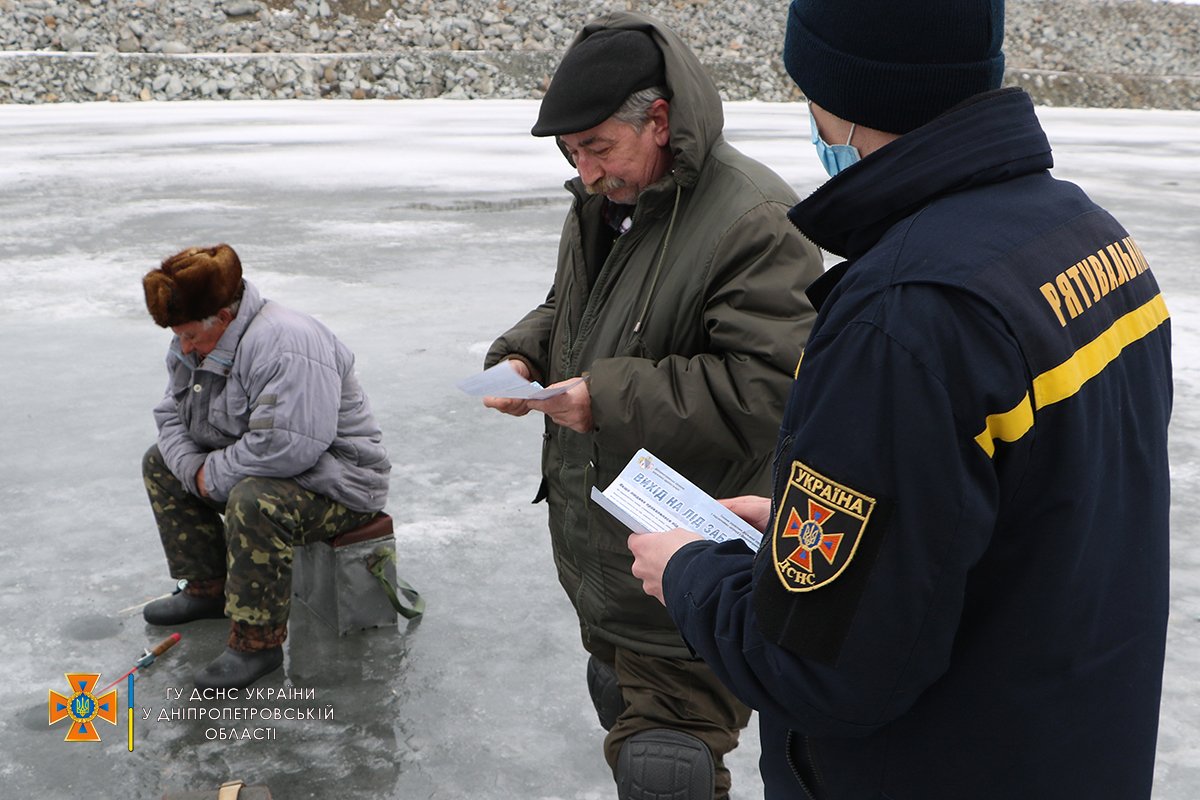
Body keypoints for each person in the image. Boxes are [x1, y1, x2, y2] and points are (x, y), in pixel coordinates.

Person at [629, 1, 1173, 798]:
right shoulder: (1090, 237)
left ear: (841, 94)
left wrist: (692, 575)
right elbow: (1016, 509)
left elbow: (821, 668)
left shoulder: (904, 314)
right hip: (1074, 747)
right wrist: (803, 520)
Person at [481, 11, 823, 800]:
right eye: (572, 155)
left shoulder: (754, 221)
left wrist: (605, 394)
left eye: (598, 148)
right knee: (619, 704)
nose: (587, 171)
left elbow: (775, 388)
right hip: (606, 557)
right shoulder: (605, 203)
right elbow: (573, 304)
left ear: (659, 120)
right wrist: (524, 351)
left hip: (697, 560)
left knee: (661, 765)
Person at [140, 244, 391, 690]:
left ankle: (257, 642)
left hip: (339, 485)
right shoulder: (193, 342)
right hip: (258, 468)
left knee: (254, 500)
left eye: (191, 336)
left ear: (222, 316)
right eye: (178, 336)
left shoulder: (286, 343)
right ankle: (207, 588)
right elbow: (170, 417)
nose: (183, 346)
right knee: (161, 463)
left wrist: (206, 475)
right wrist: (193, 470)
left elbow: (286, 449)